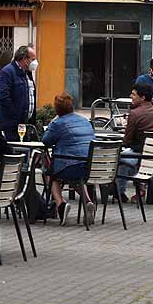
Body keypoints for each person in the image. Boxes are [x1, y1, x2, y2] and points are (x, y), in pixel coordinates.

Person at [41, 91, 95, 222]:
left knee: (50, 173)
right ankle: (87, 201)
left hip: (70, 166)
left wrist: (53, 122)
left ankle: (60, 204)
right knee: (77, 176)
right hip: (89, 167)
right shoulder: (85, 121)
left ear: (57, 109)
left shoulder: (58, 123)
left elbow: (45, 141)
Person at [116, 82, 153, 201]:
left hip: (140, 156)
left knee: (115, 157)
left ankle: (118, 192)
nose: (131, 96)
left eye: (134, 95)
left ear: (143, 98)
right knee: (126, 158)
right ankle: (131, 189)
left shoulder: (135, 114)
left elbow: (127, 141)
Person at [0, 45, 37, 141]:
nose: (35, 62)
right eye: (33, 59)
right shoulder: (8, 72)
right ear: (24, 59)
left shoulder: (27, 73)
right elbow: (3, 97)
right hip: (12, 126)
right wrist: (15, 116)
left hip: (25, 125)